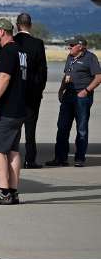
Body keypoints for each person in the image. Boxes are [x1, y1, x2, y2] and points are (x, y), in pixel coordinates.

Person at [0, 18, 27, 205]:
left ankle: (3, 192)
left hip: (6, 109)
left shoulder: (8, 52)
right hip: (19, 108)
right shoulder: (21, 52)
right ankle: (13, 191)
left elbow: (4, 77)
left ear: (2, 31)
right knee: (12, 150)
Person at [47, 36, 101, 168]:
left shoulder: (90, 58)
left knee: (81, 129)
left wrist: (86, 91)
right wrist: (61, 90)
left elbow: (98, 77)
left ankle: (79, 158)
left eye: (71, 45)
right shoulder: (70, 58)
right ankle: (60, 158)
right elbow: (66, 76)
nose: (69, 48)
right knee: (62, 127)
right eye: (69, 45)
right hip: (68, 97)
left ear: (80, 46)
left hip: (82, 98)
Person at [13, 13, 48, 168]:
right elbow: (42, 71)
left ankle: (9, 158)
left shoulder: (11, 42)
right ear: (30, 25)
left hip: (14, 93)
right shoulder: (37, 44)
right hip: (32, 93)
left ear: (17, 25)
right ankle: (30, 159)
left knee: (12, 128)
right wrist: (39, 89)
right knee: (30, 128)